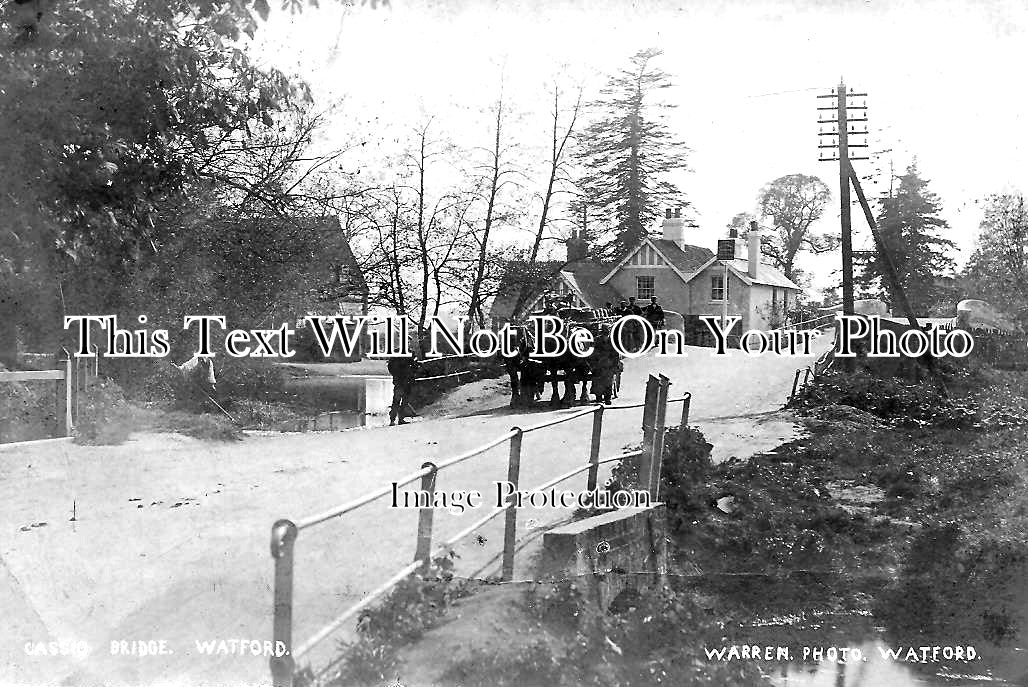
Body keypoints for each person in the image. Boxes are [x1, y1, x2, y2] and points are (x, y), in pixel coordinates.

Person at [387, 354, 420, 425]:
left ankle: (393, 419)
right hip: (406, 380)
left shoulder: (395, 354)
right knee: (403, 400)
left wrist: (396, 375)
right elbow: (416, 365)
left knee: (397, 401)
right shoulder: (410, 354)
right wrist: (412, 372)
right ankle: (399, 418)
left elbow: (390, 367)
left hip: (400, 381)